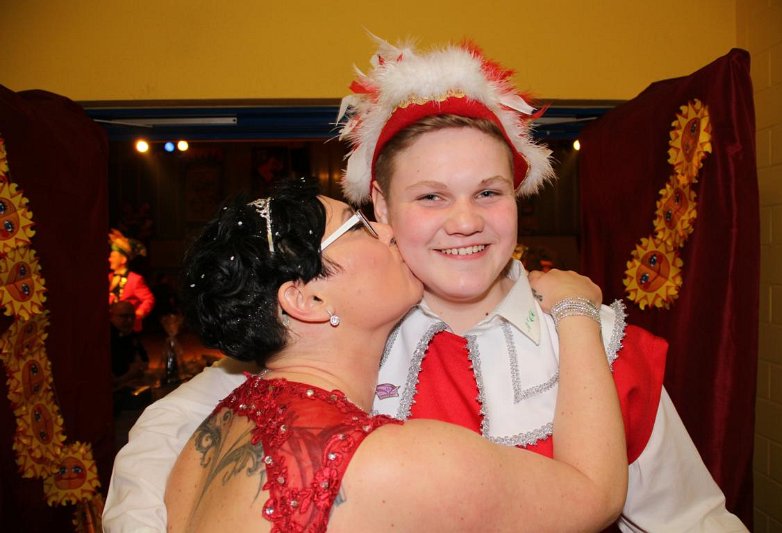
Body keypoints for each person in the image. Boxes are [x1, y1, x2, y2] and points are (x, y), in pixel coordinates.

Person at [104, 37, 747, 532]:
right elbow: (165, 433)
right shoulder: (334, 340)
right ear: (382, 209)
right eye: (431, 196)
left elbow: (695, 523)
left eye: (489, 192)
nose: (465, 221)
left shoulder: (604, 346)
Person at [164, 179, 626, 531]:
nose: (387, 230)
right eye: (359, 226)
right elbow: (594, 495)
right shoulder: (387, 463)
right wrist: (575, 308)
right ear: (308, 300)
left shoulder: (213, 433)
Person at [109, 228, 155, 332]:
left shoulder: (134, 279)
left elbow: (149, 299)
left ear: (123, 259)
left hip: (129, 327)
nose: (109, 259)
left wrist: (138, 313)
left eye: (113, 256)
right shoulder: (109, 277)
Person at [110, 300, 150, 414]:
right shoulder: (107, 338)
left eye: (132, 316)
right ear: (112, 316)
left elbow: (145, 360)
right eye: (124, 316)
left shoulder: (130, 334)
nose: (130, 320)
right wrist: (128, 375)